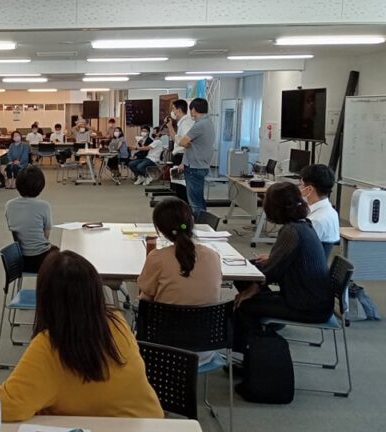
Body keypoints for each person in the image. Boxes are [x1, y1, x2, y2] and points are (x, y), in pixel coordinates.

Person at [0, 250, 163, 421]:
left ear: (45, 298)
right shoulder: (117, 321)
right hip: (151, 423)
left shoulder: (50, 345)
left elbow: (10, 406)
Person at [233, 182, 332, 355]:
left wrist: (251, 289)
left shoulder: (291, 232)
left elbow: (271, 272)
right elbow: (280, 263)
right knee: (250, 269)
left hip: (307, 306)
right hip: (314, 299)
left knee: (245, 305)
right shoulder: (303, 224)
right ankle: (262, 334)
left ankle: (257, 353)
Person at [137, 198, 222, 365]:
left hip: (163, 350)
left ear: (160, 230)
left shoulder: (157, 258)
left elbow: (145, 298)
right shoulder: (213, 256)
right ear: (192, 222)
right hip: (206, 348)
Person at [6, 166, 56, 273]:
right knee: (65, 257)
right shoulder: (44, 206)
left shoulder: (9, 205)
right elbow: (46, 236)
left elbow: (13, 229)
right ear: (41, 186)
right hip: (41, 259)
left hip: (20, 258)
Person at [176, 98, 214, 216]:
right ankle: (204, 222)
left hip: (194, 167)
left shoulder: (199, 125)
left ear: (193, 110)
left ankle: (198, 223)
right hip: (201, 164)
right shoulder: (208, 122)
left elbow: (182, 142)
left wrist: (188, 144)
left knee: (194, 202)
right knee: (198, 198)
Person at [299, 164, 340, 253]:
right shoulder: (331, 211)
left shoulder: (315, 221)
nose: (299, 188)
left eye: (301, 185)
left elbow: (300, 251)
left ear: (309, 189)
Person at [166, 99, 194, 166]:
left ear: (179, 110)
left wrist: (183, 162)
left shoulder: (185, 123)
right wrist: (169, 126)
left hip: (182, 156)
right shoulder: (182, 122)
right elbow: (177, 139)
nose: (172, 112)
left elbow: (188, 143)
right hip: (180, 155)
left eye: (173, 109)